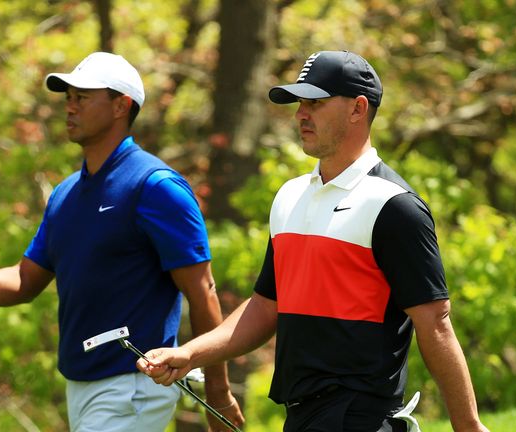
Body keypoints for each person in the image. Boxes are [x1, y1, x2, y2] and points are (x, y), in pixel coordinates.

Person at [137, 51, 489, 432]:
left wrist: (467, 425)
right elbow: (266, 306)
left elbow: (435, 323)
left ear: (357, 109)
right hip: (300, 416)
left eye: (316, 103)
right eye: (300, 103)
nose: (301, 114)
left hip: (361, 418)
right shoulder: (289, 197)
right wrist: (190, 353)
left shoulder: (394, 205)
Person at [0, 52, 244, 432]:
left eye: (82, 98)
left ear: (122, 105)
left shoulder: (155, 187)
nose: (69, 106)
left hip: (132, 384)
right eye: (68, 97)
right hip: (80, 386)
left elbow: (203, 292)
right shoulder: (65, 194)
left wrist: (218, 391)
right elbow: (24, 281)